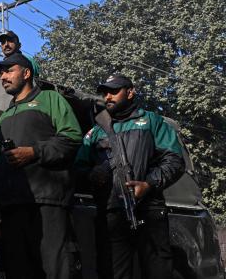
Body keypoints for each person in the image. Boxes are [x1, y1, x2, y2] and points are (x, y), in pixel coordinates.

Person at [75, 74, 185, 279]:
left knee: (158, 272)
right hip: (111, 214)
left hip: (149, 211)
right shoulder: (96, 132)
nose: (108, 96)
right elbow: (78, 169)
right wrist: (92, 175)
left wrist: (149, 184)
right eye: (105, 92)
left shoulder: (152, 121)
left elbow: (175, 161)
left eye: (114, 91)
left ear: (130, 92)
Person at [0, 53, 83, 279]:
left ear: (27, 72)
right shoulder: (3, 117)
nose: (3, 76)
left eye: (8, 70)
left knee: (55, 269)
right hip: (12, 206)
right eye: (1, 72)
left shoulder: (51, 99)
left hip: (48, 202)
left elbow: (72, 138)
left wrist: (34, 152)